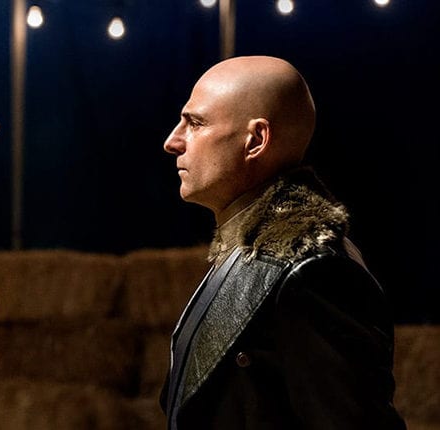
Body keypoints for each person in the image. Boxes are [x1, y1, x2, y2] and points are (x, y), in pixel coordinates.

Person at [159, 55, 406, 429]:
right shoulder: (250, 251)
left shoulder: (313, 271)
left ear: (256, 140)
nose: (172, 141)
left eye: (195, 123)